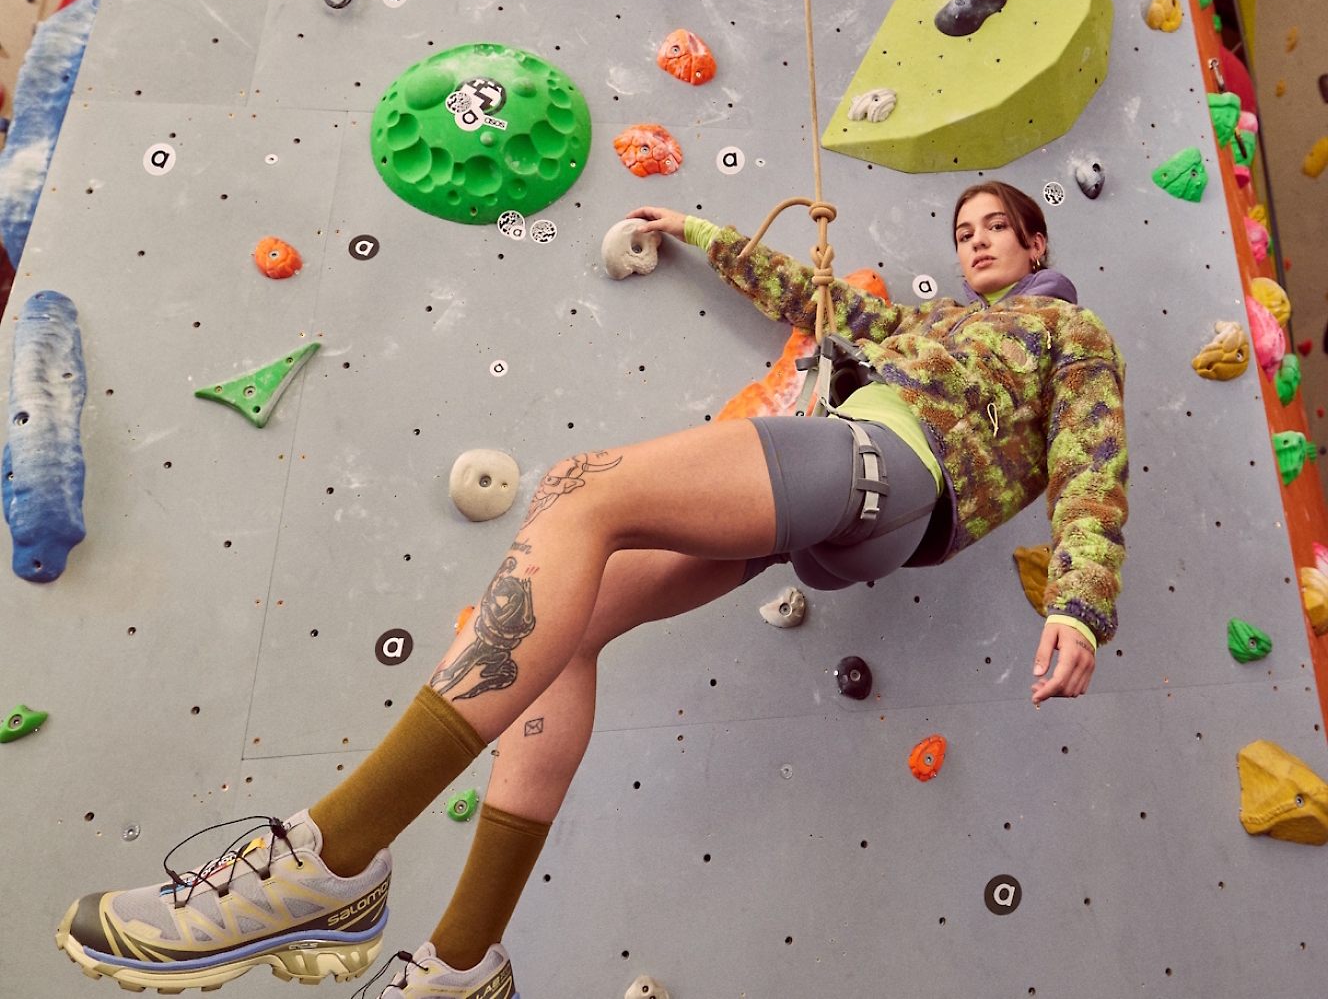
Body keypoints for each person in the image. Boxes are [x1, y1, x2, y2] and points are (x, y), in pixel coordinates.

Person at [56, 182, 1127, 998]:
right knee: (562, 625)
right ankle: (460, 960)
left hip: (887, 468)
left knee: (575, 492)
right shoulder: (930, 329)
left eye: (996, 226)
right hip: (845, 505)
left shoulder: (1066, 332)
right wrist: (700, 232)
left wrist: (1077, 601)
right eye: (963, 229)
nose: (974, 239)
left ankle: (329, 854)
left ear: (1038, 246)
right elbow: (815, 297)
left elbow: (1091, 459)